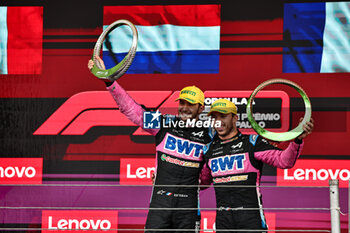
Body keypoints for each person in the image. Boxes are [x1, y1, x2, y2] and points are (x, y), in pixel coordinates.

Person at [88, 56, 214, 232]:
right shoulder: (164, 122)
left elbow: (208, 178)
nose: (185, 108)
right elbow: (133, 110)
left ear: (201, 108)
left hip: (189, 209)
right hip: (160, 207)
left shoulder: (210, 135)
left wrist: (198, 181)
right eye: (182, 103)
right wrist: (109, 82)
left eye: (191, 104)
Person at [203, 99, 314, 232]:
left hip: (251, 219)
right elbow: (203, 182)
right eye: (214, 117)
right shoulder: (208, 150)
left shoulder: (252, 142)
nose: (218, 121)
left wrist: (298, 140)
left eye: (223, 116)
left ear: (235, 118)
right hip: (223, 220)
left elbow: (284, 161)